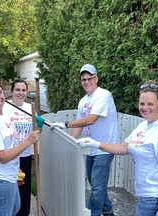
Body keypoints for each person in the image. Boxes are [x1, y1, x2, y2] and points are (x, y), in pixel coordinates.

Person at [78, 80, 158, 216]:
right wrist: (96, 144)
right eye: (142, 103)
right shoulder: (144, 125)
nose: (145, 107)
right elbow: (124, 147)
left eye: (150, 104)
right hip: (147, 196)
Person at [50, 64, 119, 216]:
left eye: (90, 79)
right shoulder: (83, 101)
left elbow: (91, 120)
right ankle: (108, 211)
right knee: (96, 184)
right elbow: (79, 126)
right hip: (90, 148)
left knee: (96, 187)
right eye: (84, 79)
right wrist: (67, 143)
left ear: (96, 79)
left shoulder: (103, 95)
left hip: (105, 147)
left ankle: (93, 213)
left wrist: (65, 124)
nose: (87, 82)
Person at [0, 79, 40, 216]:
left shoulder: (3, 115)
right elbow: (2, 157)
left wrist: (15, 167)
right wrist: (28, 141)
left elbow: (10, 144)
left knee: (16, 208)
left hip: (9, 175)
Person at [3, 79, 44, 216]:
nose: (21, 93)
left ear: (27, 92)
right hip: (10, 156)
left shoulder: (30, 108)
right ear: (12, 91)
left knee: (24, 190)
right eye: (18, 90)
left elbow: (36, 132)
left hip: (25, 156)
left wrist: (39, 125)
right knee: (11, 191)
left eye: (23, 90)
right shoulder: (5, 108)